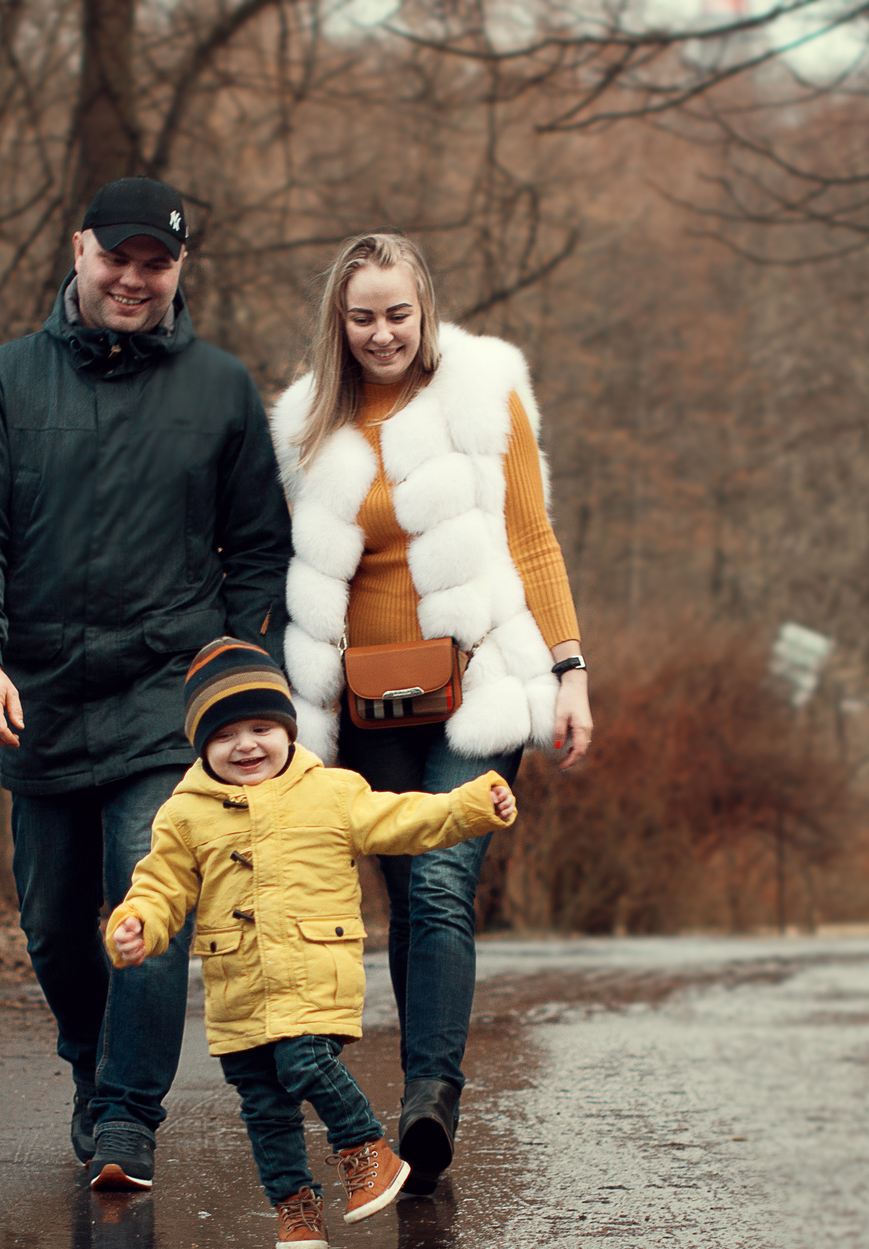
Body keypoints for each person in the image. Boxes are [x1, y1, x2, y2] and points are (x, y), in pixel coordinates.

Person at [0, 178, 293, 1190]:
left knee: (149, 895)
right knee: (54, 923)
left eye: (157, 263)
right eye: (117, 258)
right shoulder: (3, 383)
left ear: (180, 270)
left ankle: (130, 1115)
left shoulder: (218, 389)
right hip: (38, 694)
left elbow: (259, 545)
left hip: (162, 697)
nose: (134, 279)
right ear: (80, 250)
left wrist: (233, 665)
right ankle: (93, 1072)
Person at [265, 232, 592, 1195]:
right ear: (340, 319)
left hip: (477, 689)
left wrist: (569, 670)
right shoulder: (303, 427)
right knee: (404, 898)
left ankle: (429, 1097)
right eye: (362, 316)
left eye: (398, 314)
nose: (381, 334)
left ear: (426, 308)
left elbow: (532, 538)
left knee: (443, 883)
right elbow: (283, 574)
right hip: (361, 709)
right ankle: (423, 1085)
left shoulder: (484, 393)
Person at [105, 640, 517, 1249]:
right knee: (262, 1103)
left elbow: (401, 820)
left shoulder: (331, 791)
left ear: (289, 731)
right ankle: (296, 1210)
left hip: (311, 972)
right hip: (237, 989)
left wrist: (469, 806)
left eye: (261, 727)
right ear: (201, 746)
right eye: (225, 735)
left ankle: (366, 1148)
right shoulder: (184, 814)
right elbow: (161, 885)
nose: (245, 745)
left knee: (303, 1062)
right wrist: (137, 922)